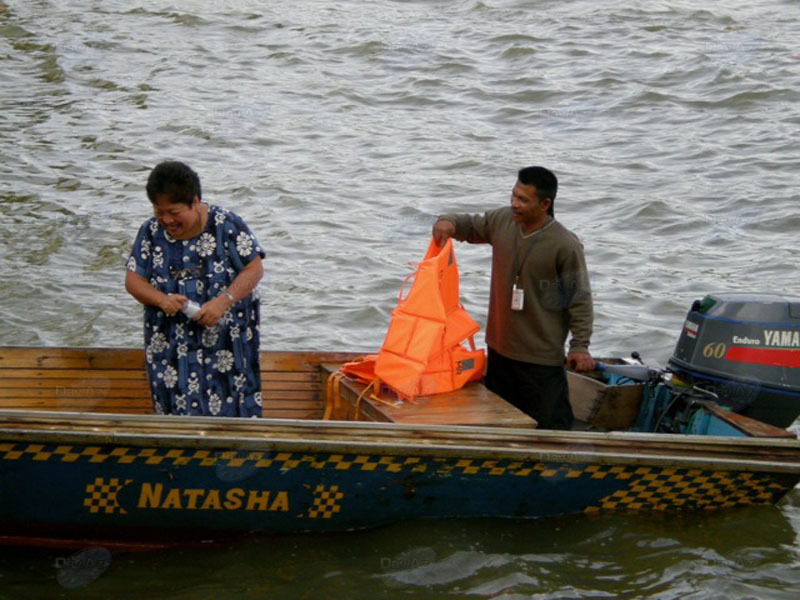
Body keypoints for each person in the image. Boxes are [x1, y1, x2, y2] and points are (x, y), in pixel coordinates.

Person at [432, 166, 593, 429]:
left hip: (541, 361)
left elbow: (579, 300)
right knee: (500, 427)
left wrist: (580, 346)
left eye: (523, 200)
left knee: (553, 432)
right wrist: (448, 222)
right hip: (500, 353)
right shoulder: (503, 222)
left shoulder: (564, 245)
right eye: (513, 196)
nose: (514, 204)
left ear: (545, 204)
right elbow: (471, 225)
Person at [125, 161, 265, 417]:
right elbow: (133, 281)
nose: (166, 219)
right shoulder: (150, 232)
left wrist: (223, 301)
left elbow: (254, 270)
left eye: (174, 212)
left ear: (195, 201)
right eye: (159, 211)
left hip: (227, 343)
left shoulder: (227, 225)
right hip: (170, 346)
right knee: (173, 413)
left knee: (233, 408)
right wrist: (161, 300)